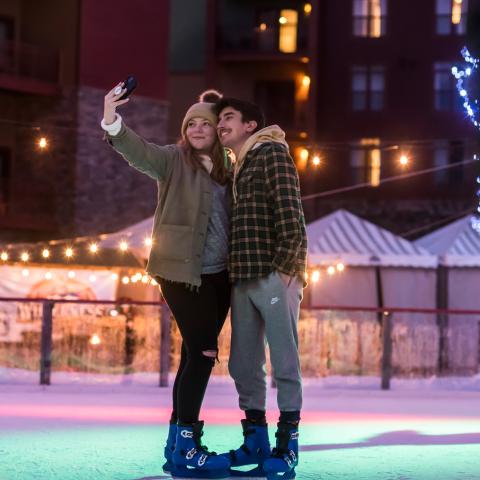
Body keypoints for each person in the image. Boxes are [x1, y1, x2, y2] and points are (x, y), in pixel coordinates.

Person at [101, 85, 231, 479]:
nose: (195, 128)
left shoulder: (231, 167)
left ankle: (177, 446)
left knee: (194, 356)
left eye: (203, 123)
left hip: (221, 275)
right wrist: (111, 117)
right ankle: (188, 446)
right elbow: (137, 150)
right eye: (190, 123)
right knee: (204, 353)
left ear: (216, 130)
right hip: (177, 271)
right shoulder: (173, 161)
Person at [214, 98, 307, 479]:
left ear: (251, 124)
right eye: (219, 119)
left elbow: (291, 212)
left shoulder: (271, 154)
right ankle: (256, 439)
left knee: (284, 361)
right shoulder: (239, 164)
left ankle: (287, 446)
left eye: (228, 118)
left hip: (272, 273)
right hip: (243, 275)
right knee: (242, 364)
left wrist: (287, 270)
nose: (221, 125)